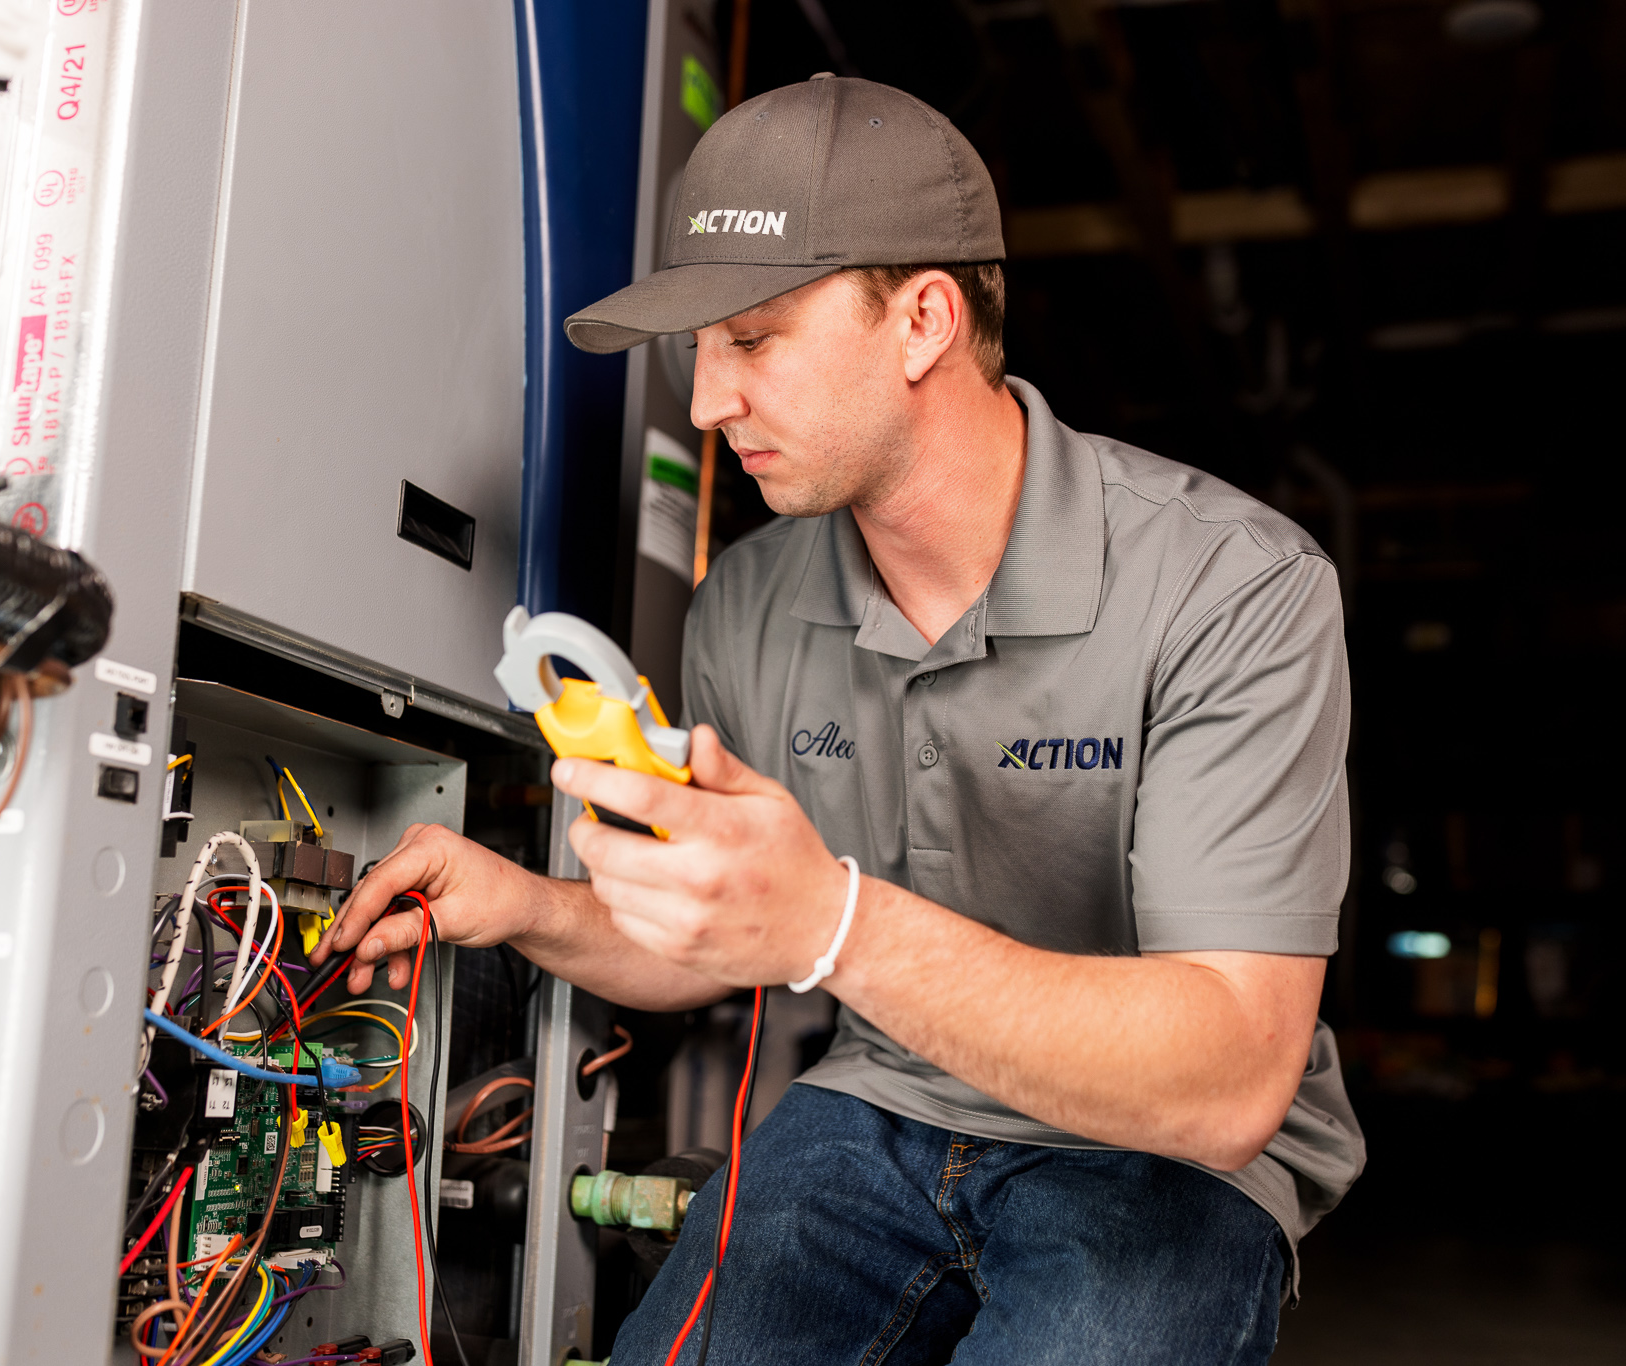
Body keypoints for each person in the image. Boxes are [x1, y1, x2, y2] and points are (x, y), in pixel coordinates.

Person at [314, 74, 1363, 1365]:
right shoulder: (750, 596)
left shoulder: (1232, 585)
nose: (704, 404)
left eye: (751, 338)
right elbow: (723, 944)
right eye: (700, 350)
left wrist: (833, 921)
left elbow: (1227, 1082)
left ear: (921, 317)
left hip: (1159, 1146)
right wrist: (528, 905)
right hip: (881, 1104)